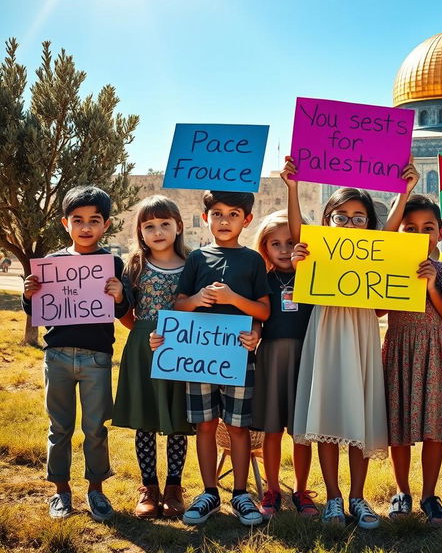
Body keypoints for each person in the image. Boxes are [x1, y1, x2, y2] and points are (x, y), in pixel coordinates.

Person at [282, 155, 417, 529]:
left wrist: (404, 194)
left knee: (358, 412)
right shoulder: (316, 249)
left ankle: (357, 498)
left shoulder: (373, 250)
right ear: (327, 221)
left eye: (359, 217)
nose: (350, 223)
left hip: (360, 332)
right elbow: (297, 232)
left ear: (369, 224)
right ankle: (333, 498)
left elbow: (390, 231)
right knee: (326, 410)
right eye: (341, 216)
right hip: (325, 331)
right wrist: (292, 188)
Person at [150, 190, 269, 526]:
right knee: (204, 425)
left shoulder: (253, 260)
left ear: (246, 220)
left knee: (237, 426)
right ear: (206, 218)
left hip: (238, 357)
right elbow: (178, 304)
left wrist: (236, 302)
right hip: (200, 357)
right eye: (217, 213)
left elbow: (263, 309)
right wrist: (199, 298)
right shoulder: (197, 259)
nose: (224, 220)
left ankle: (241, 494)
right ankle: (209, 492)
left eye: (233, 214)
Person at [22, 186, 130, 521]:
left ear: (106, 224)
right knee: (60, 426)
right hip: (56, 357)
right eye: (78, 220)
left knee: (96, 427)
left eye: (94, 220)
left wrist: (119, 295)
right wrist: (29, 294)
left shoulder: (112, 263)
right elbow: (35, 307)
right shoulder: (51, 263)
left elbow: (123, 310)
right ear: (64, 223)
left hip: (97, 358)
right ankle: (60, 491)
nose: (86, 227)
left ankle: (96, 490)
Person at [381, 194, 442, 524]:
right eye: (410, 228)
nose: (419, 233)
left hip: (433, 351)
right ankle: (402, 492)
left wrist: (430, 284)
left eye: (427, 227)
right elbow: (378, 310)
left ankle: (430, 496)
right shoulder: (392, 269)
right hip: (399, 349)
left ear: (440, 233)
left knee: (433, 428)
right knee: (398, 426)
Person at [112, 196, 194, 519]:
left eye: (164, 224)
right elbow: (126, 313)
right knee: (144, 419)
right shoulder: (135, 265)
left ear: (179, 226)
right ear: (140, 231)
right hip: (144, 350)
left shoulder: (193, 264)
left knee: (177, 420)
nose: (158, 231)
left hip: (182, 350)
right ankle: (149, 488)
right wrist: (144, 330)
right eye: (149, 226)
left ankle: (174, 487)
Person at [251, 210, 317, 518]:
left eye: (290, 242)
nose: (284, 249)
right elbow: (255, 320)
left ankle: (302, 490)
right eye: (274, 243)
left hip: (307, 356)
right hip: (272, 358)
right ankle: (272, 489)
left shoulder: (313, 276)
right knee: (273, 430)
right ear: (264, 248)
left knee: (302, 432)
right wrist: (252, 333)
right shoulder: (260, 280)